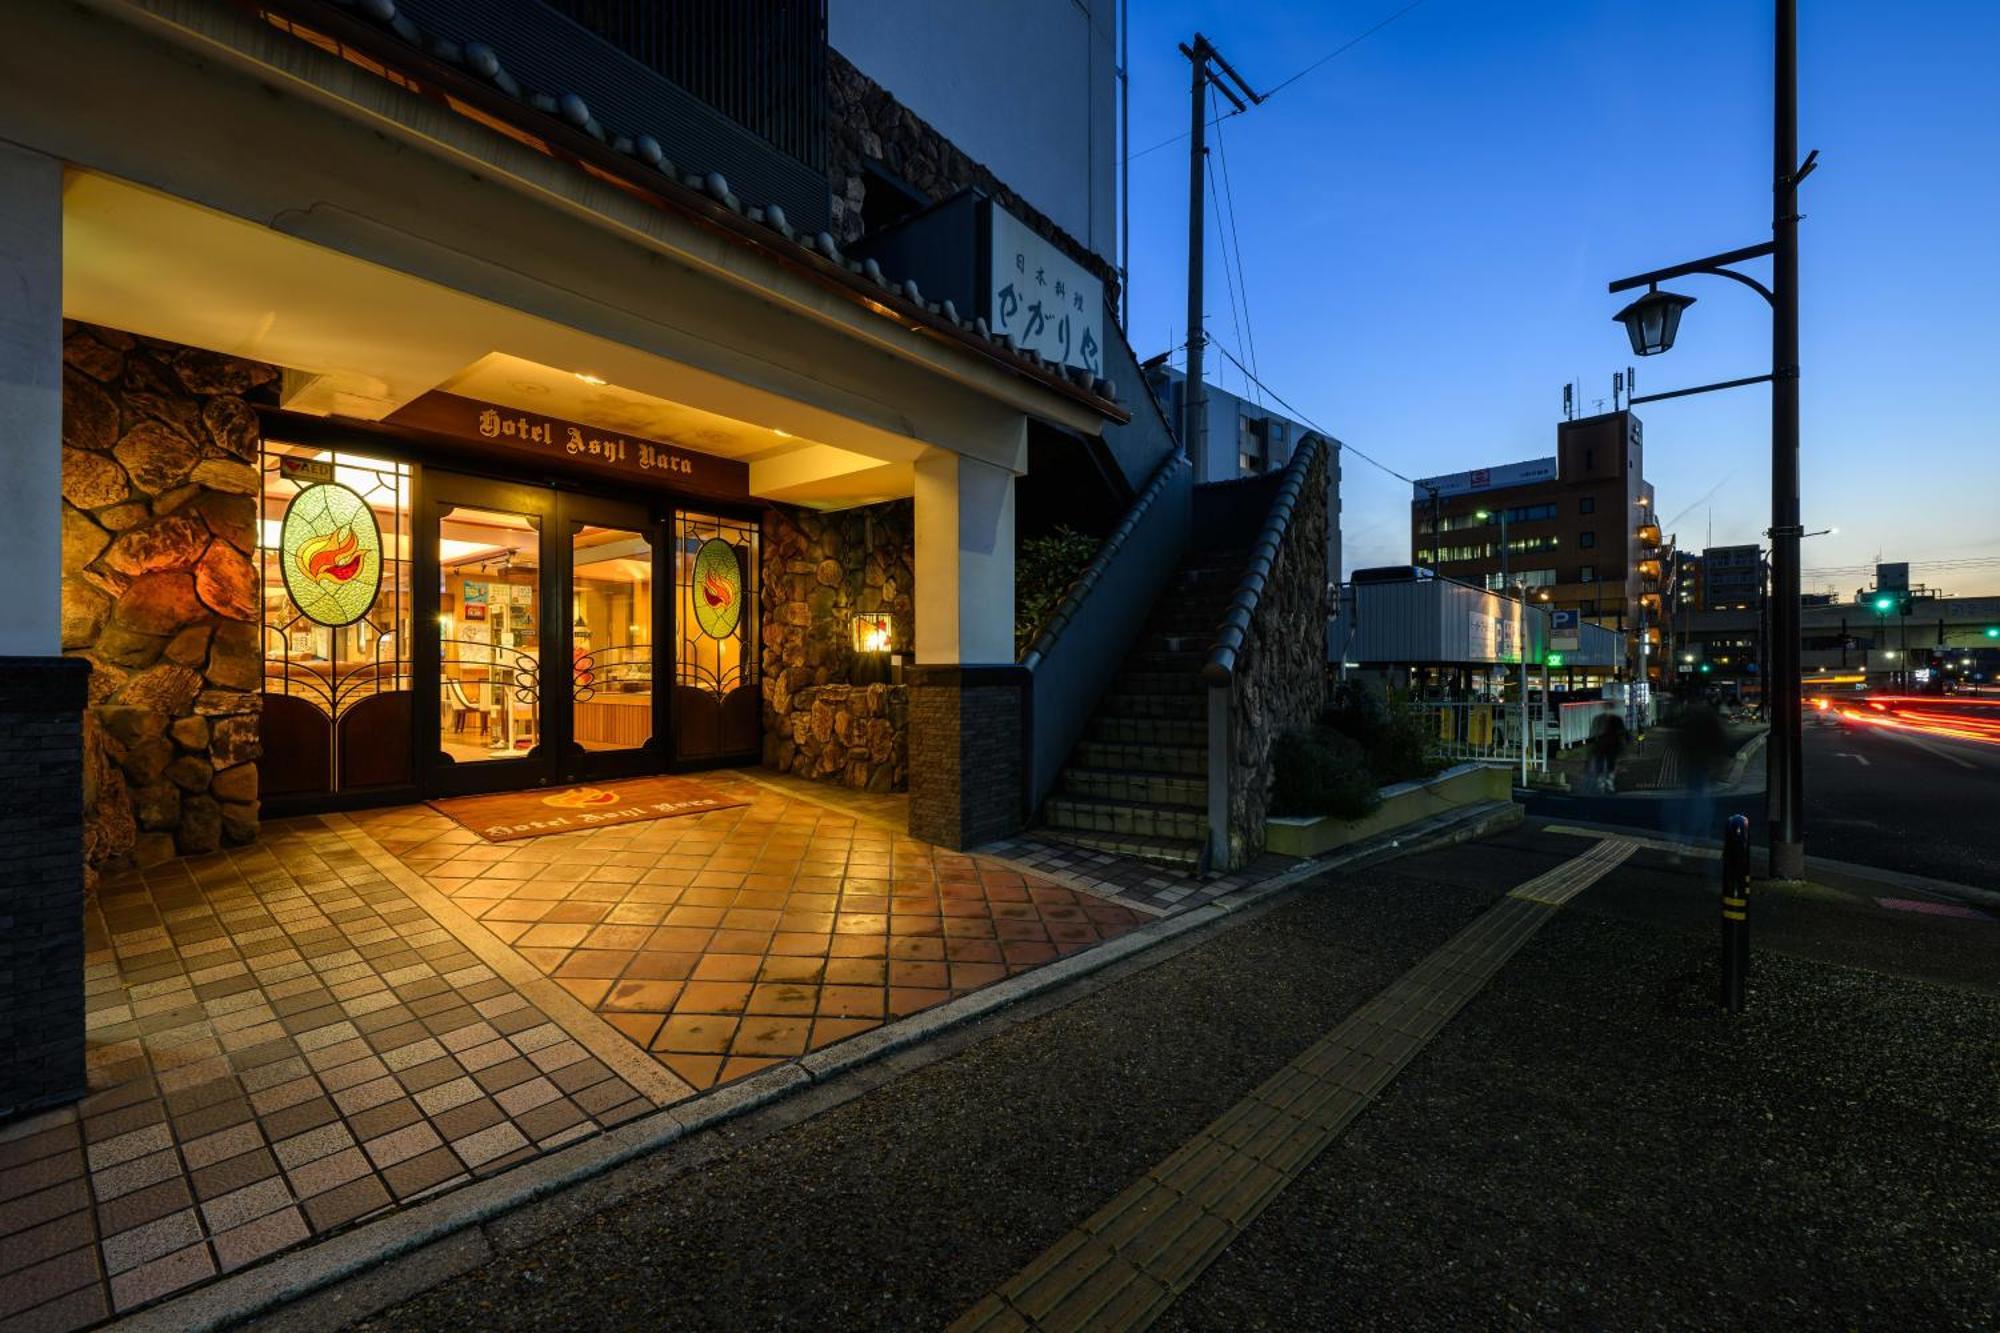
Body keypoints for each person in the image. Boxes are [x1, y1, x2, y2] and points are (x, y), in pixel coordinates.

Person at [1669, 696, 1729, 857]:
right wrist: (1719, 764)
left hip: (1693, 763)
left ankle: (1691, 834)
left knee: (1694, 796)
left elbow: (1678, 741)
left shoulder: (1687, 723)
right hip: (1705, 763)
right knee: (1702, 797)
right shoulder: (1710, 721)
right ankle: (1703, 830)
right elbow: (1721, 741)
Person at [1587, 710, 1628, 794]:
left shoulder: (1614, 719)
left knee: (1609, 766)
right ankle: (1604, 785)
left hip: (1609, 748)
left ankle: (1606, 785)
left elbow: (1623, 733)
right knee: (1604, 766)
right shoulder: (1600, 719)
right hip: (1603, 748)